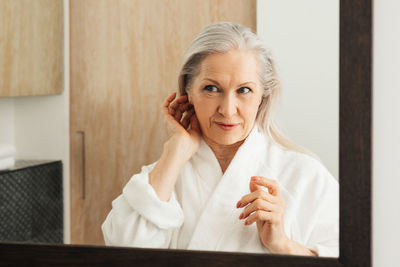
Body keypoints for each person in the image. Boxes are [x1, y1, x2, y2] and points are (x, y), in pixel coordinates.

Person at [101, 22, 338, 257]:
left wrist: (283, 244)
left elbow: (354, 259)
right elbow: (123, 251)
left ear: (262, 97)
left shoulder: (305, 176)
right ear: (189, 92)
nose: (227, 109)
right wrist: (175, 151)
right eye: (212, 88)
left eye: (244, 90)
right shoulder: (165, 176)